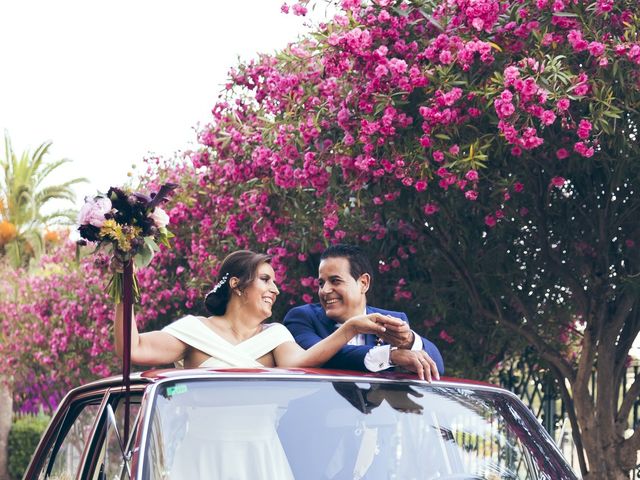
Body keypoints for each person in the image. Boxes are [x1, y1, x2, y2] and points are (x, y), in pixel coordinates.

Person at [114, 250, 403, 369]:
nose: (275, 290)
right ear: (238, 285)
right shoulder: (193, 331)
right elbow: (133, 349)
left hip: (261, 456)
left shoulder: (276, 335)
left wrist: (351, 327)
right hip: (202, 456)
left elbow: (303, 362)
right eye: (266, 280)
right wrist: (123, 282)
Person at [284, 244, 444, 381]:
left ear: (363, 283)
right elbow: (322, 356)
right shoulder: (302, 318)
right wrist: (390, 356)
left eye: (335, 281)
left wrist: (409, 341)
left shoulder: (393, 320)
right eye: (321, 283)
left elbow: (436, 368)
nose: (324, 291)